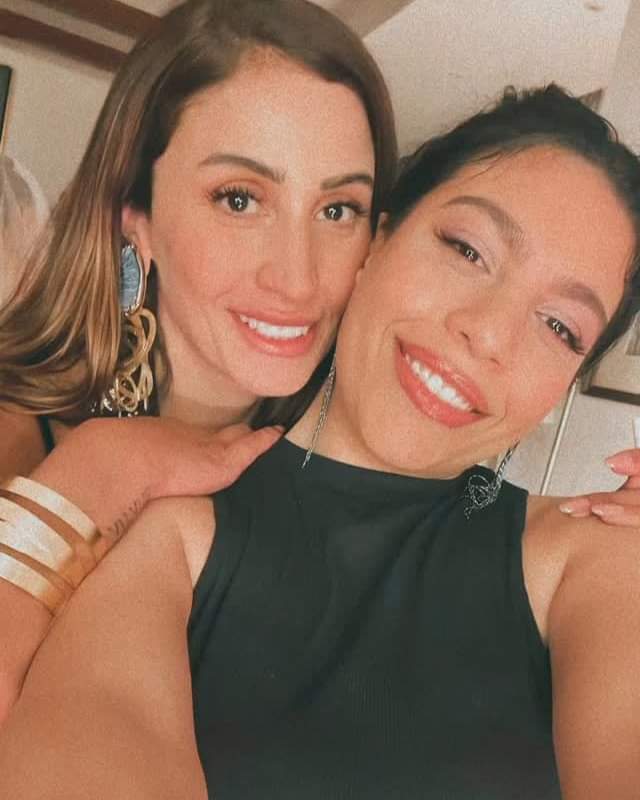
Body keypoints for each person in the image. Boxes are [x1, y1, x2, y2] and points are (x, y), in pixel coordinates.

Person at [1, 84, 639, 799]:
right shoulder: (170, 527)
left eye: (560, 328)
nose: (488, 334)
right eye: (467, 250)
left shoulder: (595, 559)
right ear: (375, 243)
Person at [0, 0, 397, 718]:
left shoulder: (339, 485)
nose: (298, 279)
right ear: (136, 219)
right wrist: (95, 473)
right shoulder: (12, 435)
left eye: (338, 210)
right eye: (240, 199)